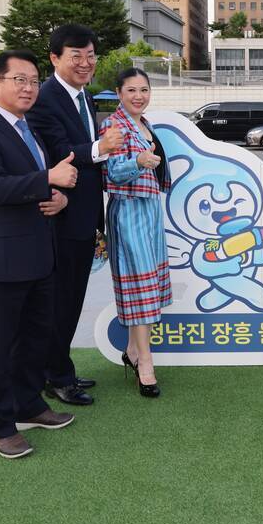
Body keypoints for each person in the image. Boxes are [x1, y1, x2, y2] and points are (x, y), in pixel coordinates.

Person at [0, 50, 79, 458]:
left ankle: (29, 405)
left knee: (34, 339)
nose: (29, 88)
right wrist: (48, 177)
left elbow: (37, 185)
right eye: (19, 80)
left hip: (38, 256)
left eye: (33, 80)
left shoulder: (29, 130)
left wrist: (57, 197)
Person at [28, 24, 123, 406]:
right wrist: (102, 147)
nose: (86, 63)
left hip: (84, 216)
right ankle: (56, 377)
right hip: (61, 218)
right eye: (76, 56)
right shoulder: (46, 98)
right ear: (54, 58)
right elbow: (60, 152)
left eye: (90, 56)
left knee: (70, 299)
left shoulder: (83, 97)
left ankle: (59, 368)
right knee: (61, 302)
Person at [100, 68, 171, 397]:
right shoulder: (113, 126)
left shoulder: (144, 124)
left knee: (148, 285)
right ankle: (145, 362)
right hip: (128, 211)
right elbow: (111, 173)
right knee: (141, 288)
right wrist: (138, 162)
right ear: (119, 92)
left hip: (150, 210)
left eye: (144, 89)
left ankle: (131, 349)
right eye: (132, 90)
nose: (139, 95)